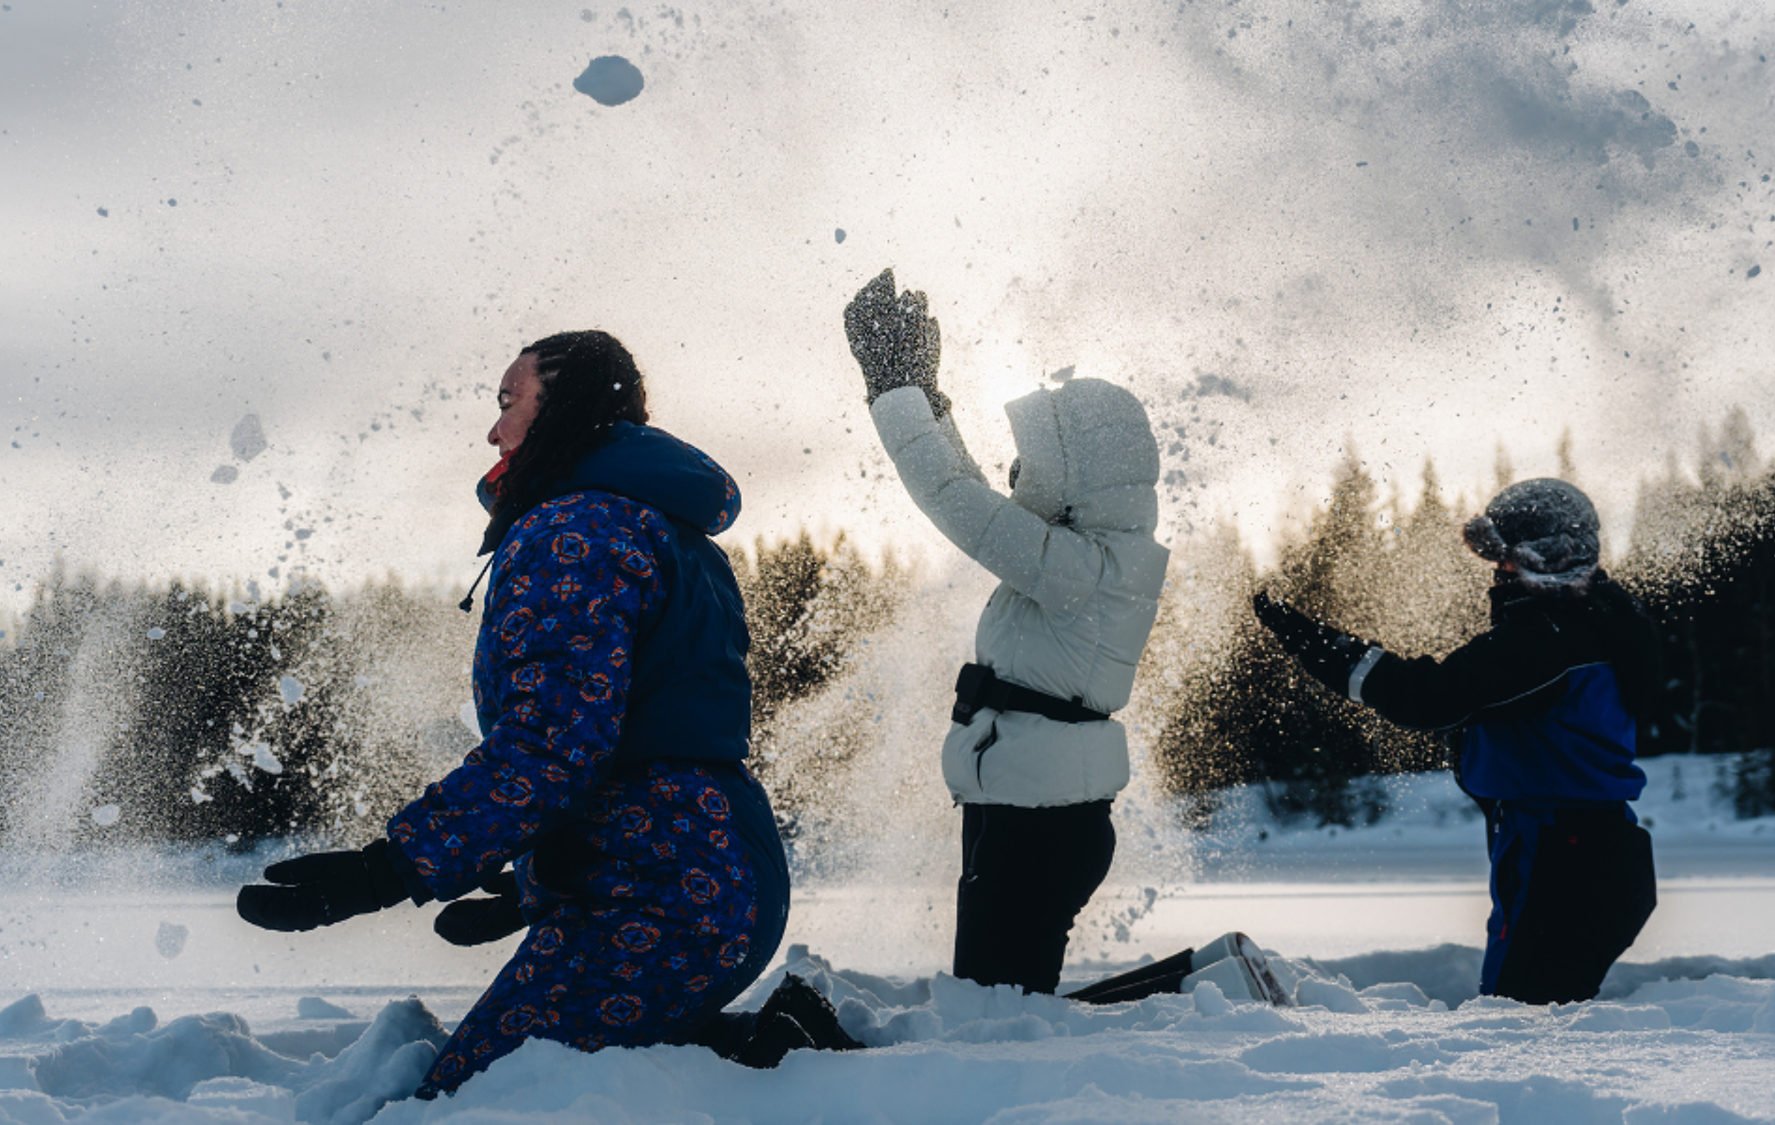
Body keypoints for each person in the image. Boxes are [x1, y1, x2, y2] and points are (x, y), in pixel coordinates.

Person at [236, 330, 854, 1096]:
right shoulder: (651, 524)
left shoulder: (575, 532)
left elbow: (552, 747)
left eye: (509, 401)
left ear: (566, 408)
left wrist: (386, 870)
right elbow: (635, 736)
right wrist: (541, 875)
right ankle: (779, 1050)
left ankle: (795, 1070)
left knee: (485, 1101)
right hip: (700, 866)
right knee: (585, 1077)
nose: (494, 430)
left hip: (664, 887)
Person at [843, 269, 1175, 996]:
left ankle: (1180, 999)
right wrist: (926, 399)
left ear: (1080, 477)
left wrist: (892, 390)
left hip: (1038, 824)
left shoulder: (1079, 569)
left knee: (997, 1017)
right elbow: (972, 490)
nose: (1016, 470)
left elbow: (954, 498)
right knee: (1002, 1004)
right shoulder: (1089, 557)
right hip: (1034, 812)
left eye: (1035, 461)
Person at [1254, 477, 1664, 1005]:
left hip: (1560, 857)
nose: (1498, 573)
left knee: (1517, 1022)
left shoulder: (1548, 641)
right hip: (1588, 849)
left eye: (1507, 560)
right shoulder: (1601, 622)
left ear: (1546, 557)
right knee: (1534, 1017)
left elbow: (1425, 697)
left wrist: (1306, 639)